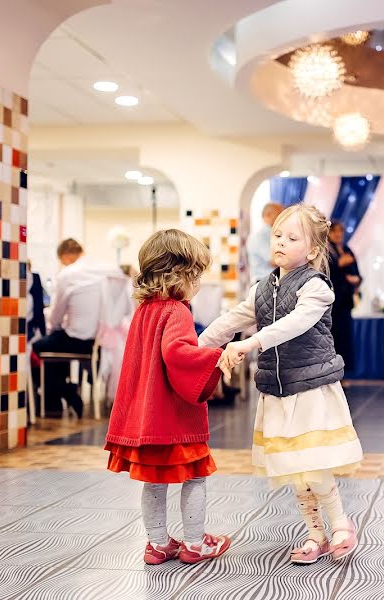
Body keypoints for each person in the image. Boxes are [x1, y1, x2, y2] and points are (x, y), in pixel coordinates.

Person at [200, 204, 363, 565]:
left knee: (312, 462)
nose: (281, 243)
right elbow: (231, 320)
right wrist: (196, 347)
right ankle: (314, 532)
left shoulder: (318, 287)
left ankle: (340, 524)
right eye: (277, 236)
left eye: (292, 238)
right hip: (277, 390)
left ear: (314, 250)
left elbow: (294, 323)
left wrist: (249, 343)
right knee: (294, 468)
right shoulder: (263, 288)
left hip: (310, 388)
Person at [104, 229, 231, 566]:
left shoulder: (144, 311)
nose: (199, 284)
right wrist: (216, 355)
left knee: (154, 481)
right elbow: (178, 354)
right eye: (197, 275)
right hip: (173, 418)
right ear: (180, 274)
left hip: (146, 418)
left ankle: (158, 543)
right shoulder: (177, 311)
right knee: (195, 476)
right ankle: (195, 543)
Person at [33, 239, 126, 418]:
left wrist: (56, 325)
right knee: (56, 344)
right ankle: (60, 397)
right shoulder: (111, 270)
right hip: (106, 340)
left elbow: (56, 318)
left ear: (66, 257)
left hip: (78, 339)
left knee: (38, 348)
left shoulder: (68, 274)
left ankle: (65, 394)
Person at [327, 221, 361, 376]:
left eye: (340, 232)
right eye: (335, 232)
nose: (338, 235)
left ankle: (344, 373)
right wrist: (340, 264)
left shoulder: (347, 249)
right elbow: (325, 273)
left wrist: (356, 279)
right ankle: (332, 373)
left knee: (346, 339)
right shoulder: (326, 250)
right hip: (333, 303)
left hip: (346, 302)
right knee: (334, 337)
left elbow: (357, 272)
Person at [248, 202, 284, 282]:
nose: (282, 218)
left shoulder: (272, 233)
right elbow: (274, 261)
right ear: (268, 215)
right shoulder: (260, 236)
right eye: (279, 214)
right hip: (263, 282)